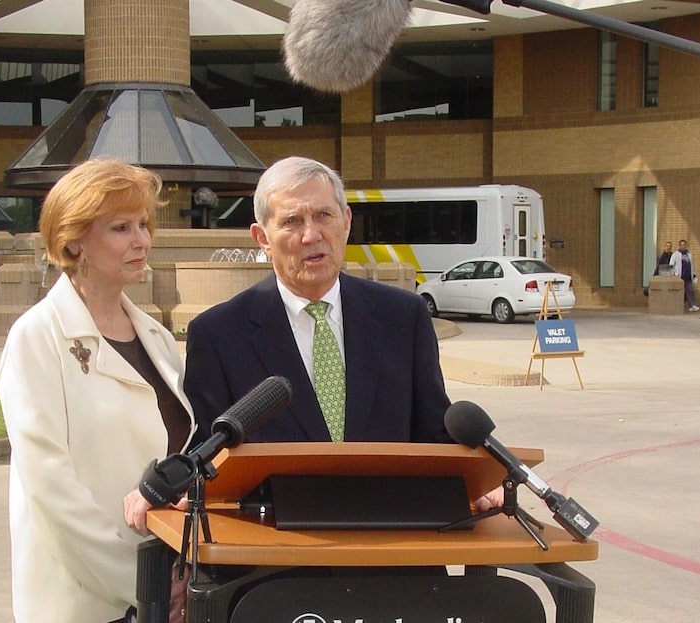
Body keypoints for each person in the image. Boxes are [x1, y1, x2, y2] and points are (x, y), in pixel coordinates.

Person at [184, 155, 503, 511]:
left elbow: (433, 434)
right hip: (277, 555)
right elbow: (209, 460)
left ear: (346, 221)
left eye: (324, 215)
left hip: (394, 546)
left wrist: (477, 482)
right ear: (262, 238)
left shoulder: (403, 317)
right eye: (292, 221)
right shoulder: (218, 335)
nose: (312, 235)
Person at [0, 159, 195, 623]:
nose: (141, 239)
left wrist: (180, 575)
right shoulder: (36, 338)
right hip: (81, 604)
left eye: (144, 224)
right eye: (121, 227)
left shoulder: (159, 340)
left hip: (162, 595)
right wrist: (141, 585)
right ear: (72, 240)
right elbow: (51, 490)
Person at [669, 239, 700, 311]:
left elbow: (692, 265)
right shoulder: (676, 254)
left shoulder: (689, 254)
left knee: (690, 291)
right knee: (678, 292)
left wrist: (694, 274)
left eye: (684, 245)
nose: (683, 246)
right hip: (680, 276)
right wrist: (673, 274)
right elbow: (671, 264)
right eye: (681, 245)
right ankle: (675, 305)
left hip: (688, 276)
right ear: (679, 245)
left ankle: (693, 305)